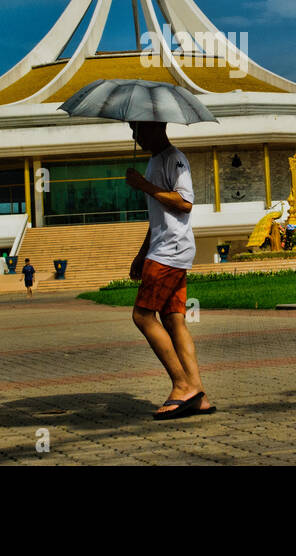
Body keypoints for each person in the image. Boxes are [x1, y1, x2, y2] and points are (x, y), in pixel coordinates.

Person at [125, 120, 216, 420]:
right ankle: (198, 394)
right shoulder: (154, 161)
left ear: (157, 126)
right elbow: (159, 218)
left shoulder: (174, 159)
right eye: (131, 130)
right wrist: (141, 254)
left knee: (142, 316)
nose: (134, 135)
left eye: (138, 128)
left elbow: (185, 203)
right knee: (173, 320)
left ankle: (182, 385)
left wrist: (144, 186)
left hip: (170, 251)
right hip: (163, 248)